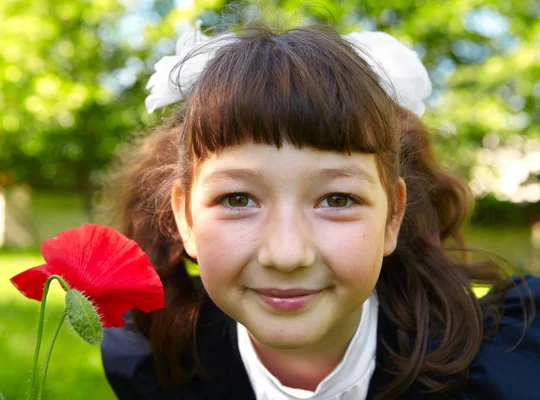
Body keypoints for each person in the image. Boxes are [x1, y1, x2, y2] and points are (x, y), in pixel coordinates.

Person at [100, 21, 540, 400]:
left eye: (336, 199)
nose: (287, 255)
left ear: (393, 216)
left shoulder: (499, 367)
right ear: (186, 219)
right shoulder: (159, 365)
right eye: (238, 200)